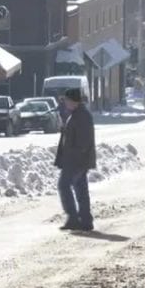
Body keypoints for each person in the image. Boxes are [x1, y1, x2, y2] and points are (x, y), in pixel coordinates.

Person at [54, 88, 96, 231]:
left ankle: (73, 218)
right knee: (80, 189)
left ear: (73, 101)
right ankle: (85, 220)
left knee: (64, 185)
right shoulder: (76, 115)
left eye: (66, 100)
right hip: (78, 160)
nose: (65, 103)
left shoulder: (81, 116)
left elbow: (83, 142)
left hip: (76, 160)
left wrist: (73, 157)